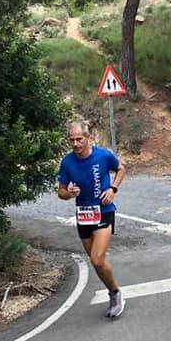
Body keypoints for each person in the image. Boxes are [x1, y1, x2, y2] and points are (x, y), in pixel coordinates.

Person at [57, 120, 127, 318]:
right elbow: (60, 192)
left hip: (104, 211)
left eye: (79, 139)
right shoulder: (67, 162)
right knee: (95, 261)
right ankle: (113, 290)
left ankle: (115, 293)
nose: (75, 144)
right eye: (71, 140)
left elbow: (121, 168)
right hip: (84, 214)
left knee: (97, 260)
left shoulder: (102, 155)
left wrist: (113, 188)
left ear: (88, 137)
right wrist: (69, 193)